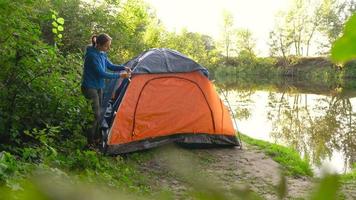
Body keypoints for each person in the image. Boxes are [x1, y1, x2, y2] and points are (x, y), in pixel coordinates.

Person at [81, 33, 130, 146]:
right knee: (95, 114)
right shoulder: (92, 56)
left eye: (109, 45)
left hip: (99, 87)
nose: (108, 48)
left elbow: (110, 66)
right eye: (106, 46)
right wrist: (120, 76)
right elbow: (102, 73)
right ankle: (89, 142)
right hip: (89, 87)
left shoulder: (101, 53)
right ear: (98, 44)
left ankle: (96, 137)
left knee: (99, 113)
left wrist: (123, 67)